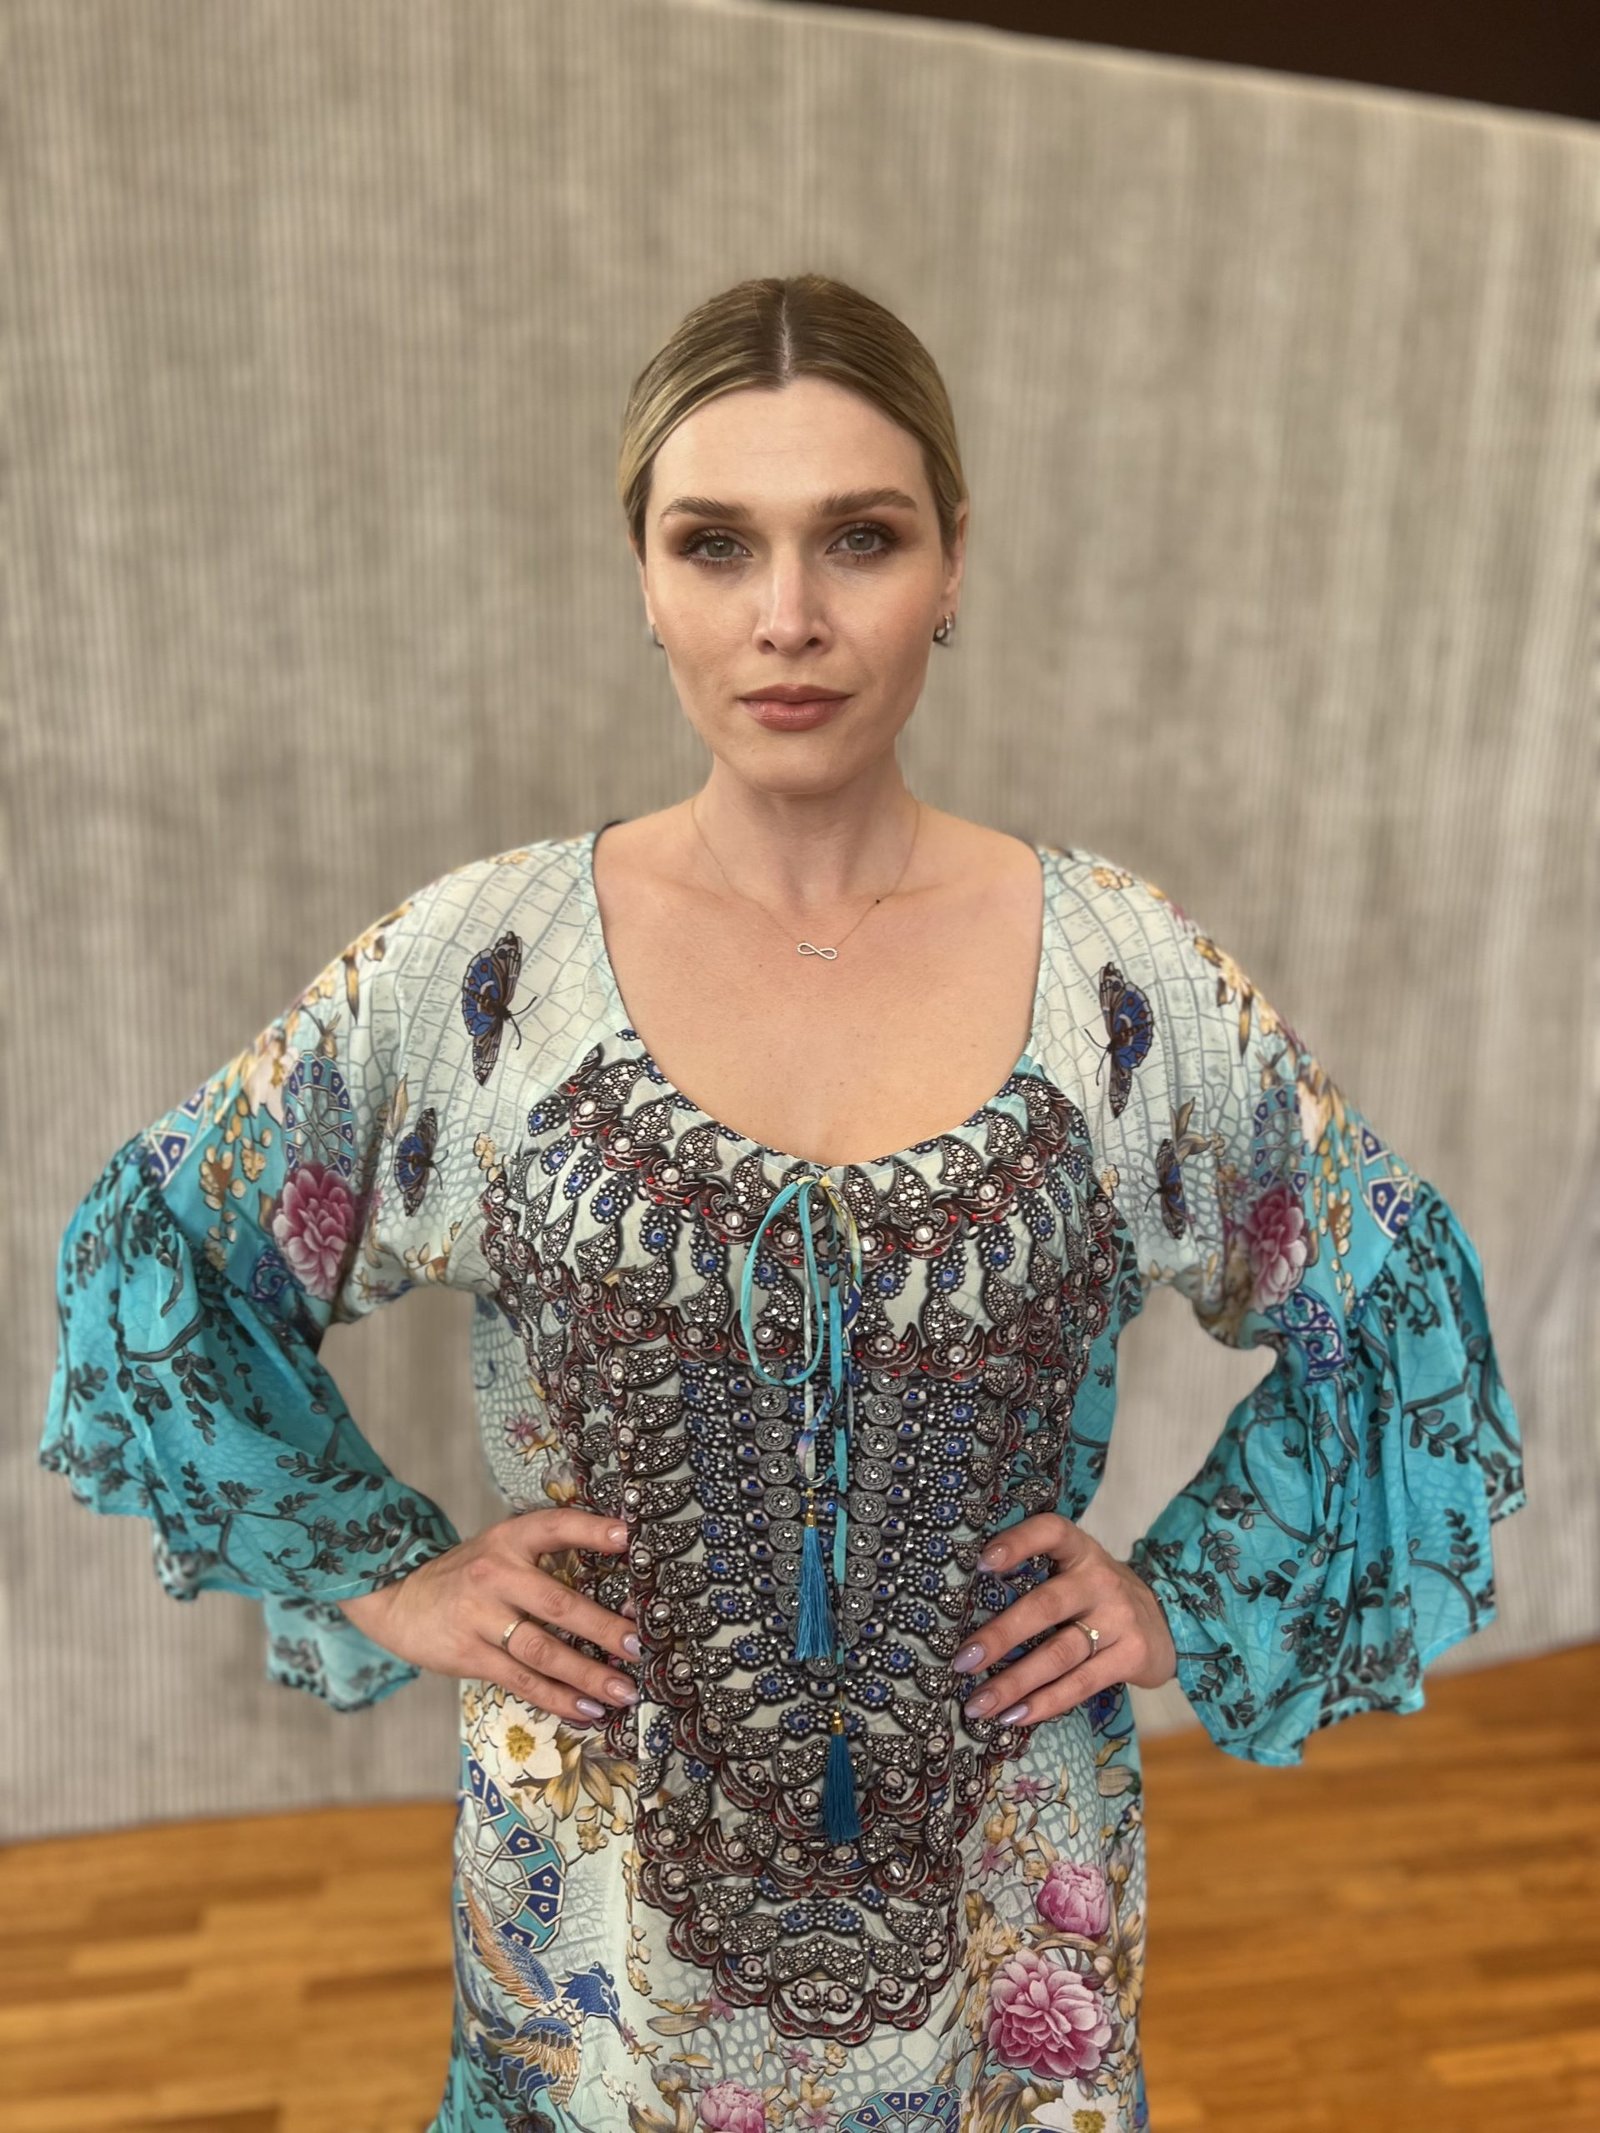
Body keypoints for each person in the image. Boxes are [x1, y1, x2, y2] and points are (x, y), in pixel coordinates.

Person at [39, 272, 1526, 2133]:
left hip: (997, 1932)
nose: (789, 616)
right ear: (644, 577)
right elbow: (162, 1251)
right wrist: (390, 1570)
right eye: (718, 543)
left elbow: (1392, 1299)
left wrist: (1186, 1596)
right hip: (602, 1961)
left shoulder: (1116, 976)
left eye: (861, 538)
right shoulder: (488, 969)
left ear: (954, 561)